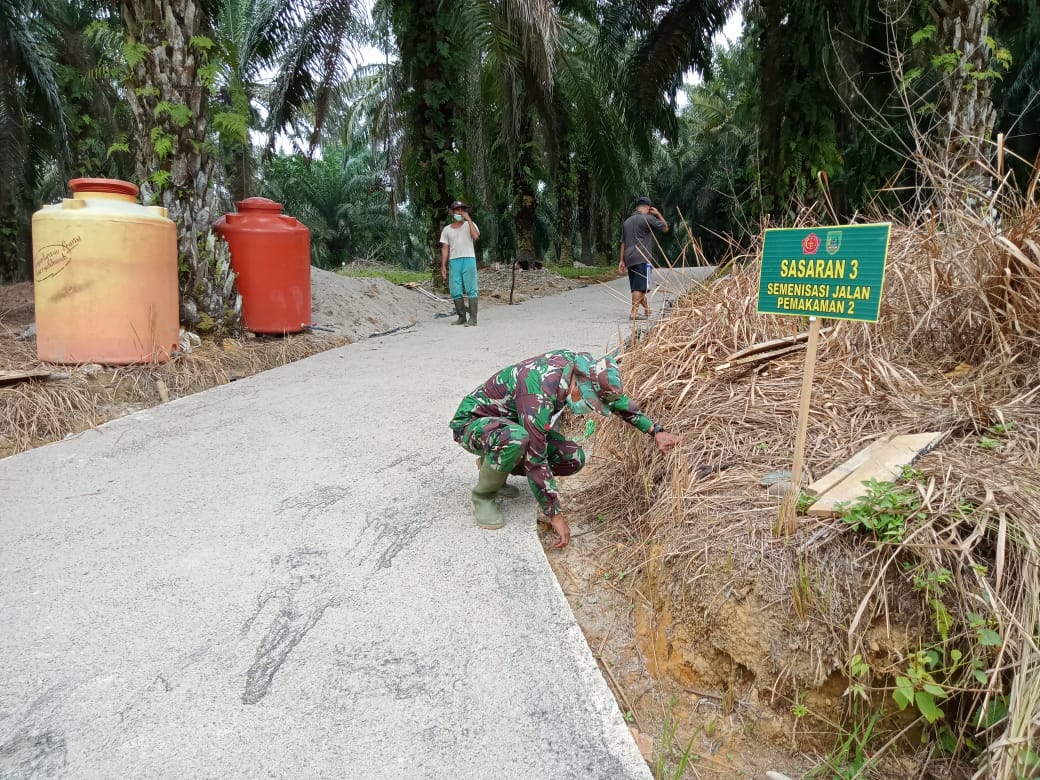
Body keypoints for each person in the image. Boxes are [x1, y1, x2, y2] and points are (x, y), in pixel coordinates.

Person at [449, 350, 681, 548]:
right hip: (473, 424)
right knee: (518, 440)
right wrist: (555, 515)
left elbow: (615, 400)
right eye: (588, 402)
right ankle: (484, 495)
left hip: (512, 422)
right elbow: (536, 459)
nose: (587, 408)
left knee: (571, 457)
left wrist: (655, 431)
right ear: (578, 383)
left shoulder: (585, 369)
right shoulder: (538, 391)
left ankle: (494, 464)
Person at [618, 196, 669, 320]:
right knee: (641, 287)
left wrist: (621, 260)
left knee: (638, 286)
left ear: (636, 207)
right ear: (648, 208)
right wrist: (657, 214)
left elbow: (623, 243)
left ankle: (646, 309)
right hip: (642, 257)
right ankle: (634, 313)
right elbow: (665, 228)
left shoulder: (627, 222)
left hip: (629, 258)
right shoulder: (648, 219)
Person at [440, 200, 481, 326]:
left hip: (469, 259)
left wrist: (468, 220)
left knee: (471, 288)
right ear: (451, 212)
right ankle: (461, 317)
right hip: (454, 261)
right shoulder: (447, 230)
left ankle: (473, 319)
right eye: (457, 210)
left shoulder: (470, 224)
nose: (460, 212)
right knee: (455, 290)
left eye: (462, 210)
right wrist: (443, 265)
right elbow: (445, 248)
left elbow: (476, 237)